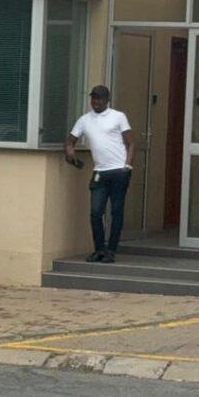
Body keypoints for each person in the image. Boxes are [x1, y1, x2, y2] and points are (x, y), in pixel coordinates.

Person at [65, 85, 135, 264]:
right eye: (94, 98)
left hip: (119, 171)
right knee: (96, 212)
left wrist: (127, 166)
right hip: (99, 172)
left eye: (100, 99)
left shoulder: (118, 117)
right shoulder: (84, 120)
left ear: (107, 100)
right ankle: (99, 250)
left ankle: (111, 250)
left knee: (116, 212)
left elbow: (131, 143)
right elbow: (70, 139)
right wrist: (70, 150)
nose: (96, 102)